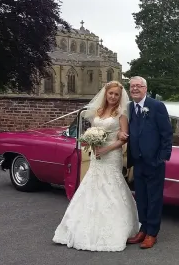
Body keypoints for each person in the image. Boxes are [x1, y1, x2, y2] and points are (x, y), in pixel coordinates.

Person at [52, 81, 140, 252]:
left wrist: (106, 149)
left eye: (116, 95)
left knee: (111, 186)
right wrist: (92, 144)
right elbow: (94, 132)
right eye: (111, 93)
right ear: (105, 94)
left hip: (111, 154)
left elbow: (123, 138)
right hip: (96, 155)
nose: (113, 97)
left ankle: (117, 227)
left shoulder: (121, 114)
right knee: (91, 186)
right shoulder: (98, 112)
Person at [118, 76, 173, 249]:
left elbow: (167, 134)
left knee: (154, 198)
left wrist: (162, 157)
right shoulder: (130, 107)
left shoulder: (157, 106)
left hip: (154, 161)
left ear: (145, 88)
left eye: (138, 86)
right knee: (141, 197)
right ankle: (143, 228)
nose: (134, 89)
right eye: (132, 86)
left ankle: (152, 233)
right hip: (138, 161)